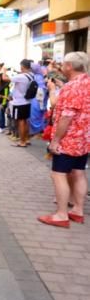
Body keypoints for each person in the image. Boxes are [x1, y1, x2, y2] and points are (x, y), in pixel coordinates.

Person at [38, 51, 90, 228]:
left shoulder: (71, 87)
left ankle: (61, 214)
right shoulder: (86, 83)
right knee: (79, 172)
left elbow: (66, 117)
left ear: (69, 66)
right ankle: (78, 210)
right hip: (84, 138)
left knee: (58, 174)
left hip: (69, 139)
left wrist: (55, 141)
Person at [10, 59, 35, 147]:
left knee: (20, 121)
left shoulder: (20, 76)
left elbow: (7, 78)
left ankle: (22, 141)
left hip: (19, 102)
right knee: (25, 121)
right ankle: (27, 139)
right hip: (27, 101)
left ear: (22, 66)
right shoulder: (31, 75)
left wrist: (3, 71)